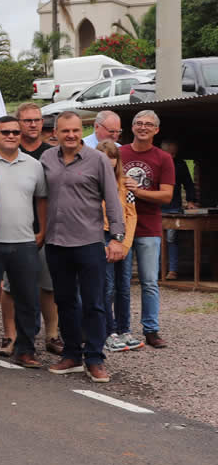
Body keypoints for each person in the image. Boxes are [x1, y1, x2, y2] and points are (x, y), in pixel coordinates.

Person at [42, 111, 126, 383]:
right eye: (65, 131)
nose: (71, 135)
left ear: (82, 131)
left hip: (89, 242)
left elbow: (112, 200)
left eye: (76, 130)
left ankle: (95, 358)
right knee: (65, 301)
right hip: (56, 242)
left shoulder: (98, 160)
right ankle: (71, 355)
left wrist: (116, 237)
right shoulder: (46, 159)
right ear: (56, 132)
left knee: (94, 303)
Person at [0, 116, 47, 368]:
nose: (11, 136)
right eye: (5, 132)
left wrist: (43, 230)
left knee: (28, 299)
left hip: (25, 241)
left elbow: (41, 199)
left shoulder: (34, 165)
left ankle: (26, 350)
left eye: (16, 132)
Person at [119, 109, 173, 348]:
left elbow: (167, 195)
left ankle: (151, 330)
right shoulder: (119, 153)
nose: (143, 127)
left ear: (156, 130)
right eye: (138, 123)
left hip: (149, 227)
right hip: (121, 226)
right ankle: (120, 329)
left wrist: (138, 191)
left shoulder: (163, 158)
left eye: (148, 124)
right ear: (132, 127)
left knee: (149, 281)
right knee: (120, 283)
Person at [16, 102, 62, 354]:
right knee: (13, 287)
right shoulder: (11, 149)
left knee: (48, 285)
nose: (33, 124)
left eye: (37, 120)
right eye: (27, 120)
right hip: (15, 229)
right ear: (18, 123)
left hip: (46, 228)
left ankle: (52, 335)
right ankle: (12, 336)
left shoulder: (51, 153)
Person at [95, 140, 139, 353]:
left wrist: (126, 243)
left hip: (123, 238)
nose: (107, 163)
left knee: (123, 286)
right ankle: (108, 331)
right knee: (107, 286)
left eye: (111, 159)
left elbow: (131, 213)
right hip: (102, 237)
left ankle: (125, 329)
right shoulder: (92, 183)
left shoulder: (125, 183)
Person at [160, 138, 196, 280]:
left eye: (174, 154)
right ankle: (156, 271)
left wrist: (191, 201)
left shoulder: (179, 165)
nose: (172, 157)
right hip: (155, 208)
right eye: (170, 154)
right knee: (155, 240)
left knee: (171, 239)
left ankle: (172, 270)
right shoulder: (155, 163)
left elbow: (188, 183)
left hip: (173, 207)